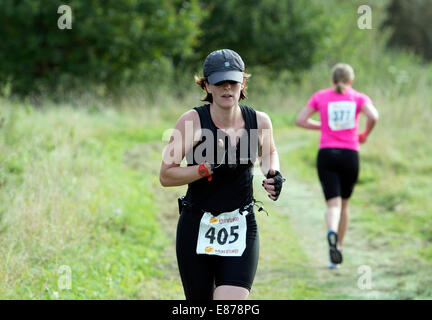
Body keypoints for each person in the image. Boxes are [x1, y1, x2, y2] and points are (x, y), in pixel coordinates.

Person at [159, 49, 285, 300]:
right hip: (197, 225)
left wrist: (273, 174)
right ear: (207, 85)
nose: (227, 88)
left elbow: (269, 152)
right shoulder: (192, 121)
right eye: (220, 83)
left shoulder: (259, 121)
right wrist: (205, 168)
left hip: (241, 224)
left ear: (243, 83)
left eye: (233, 82)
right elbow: (166, 175)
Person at [295, 63, 379, 269]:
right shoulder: (359, 97)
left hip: (327, 154)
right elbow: (373, 116)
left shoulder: (321, 96)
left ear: (332, 80)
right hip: (350, 155)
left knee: (333, 205)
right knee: (345, 205)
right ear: (351, 81)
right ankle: (337, 250)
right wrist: (365, 134)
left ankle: (331, 230)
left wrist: (322, 126)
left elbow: (300, 120)